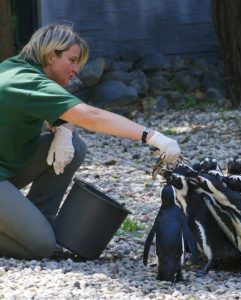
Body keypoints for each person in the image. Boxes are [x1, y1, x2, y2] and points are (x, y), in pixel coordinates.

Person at [0, 24, 181, 260]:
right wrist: (152, 136)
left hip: (7, 169)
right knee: (40, 247)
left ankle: (36, 223)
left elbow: (68, 111)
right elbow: (91, 116)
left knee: (74, 145)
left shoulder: (16, 68)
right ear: (51, 54)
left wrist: (64, 131)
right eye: (72, 60)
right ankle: (35, 237)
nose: (76, 69)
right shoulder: (29, 84)